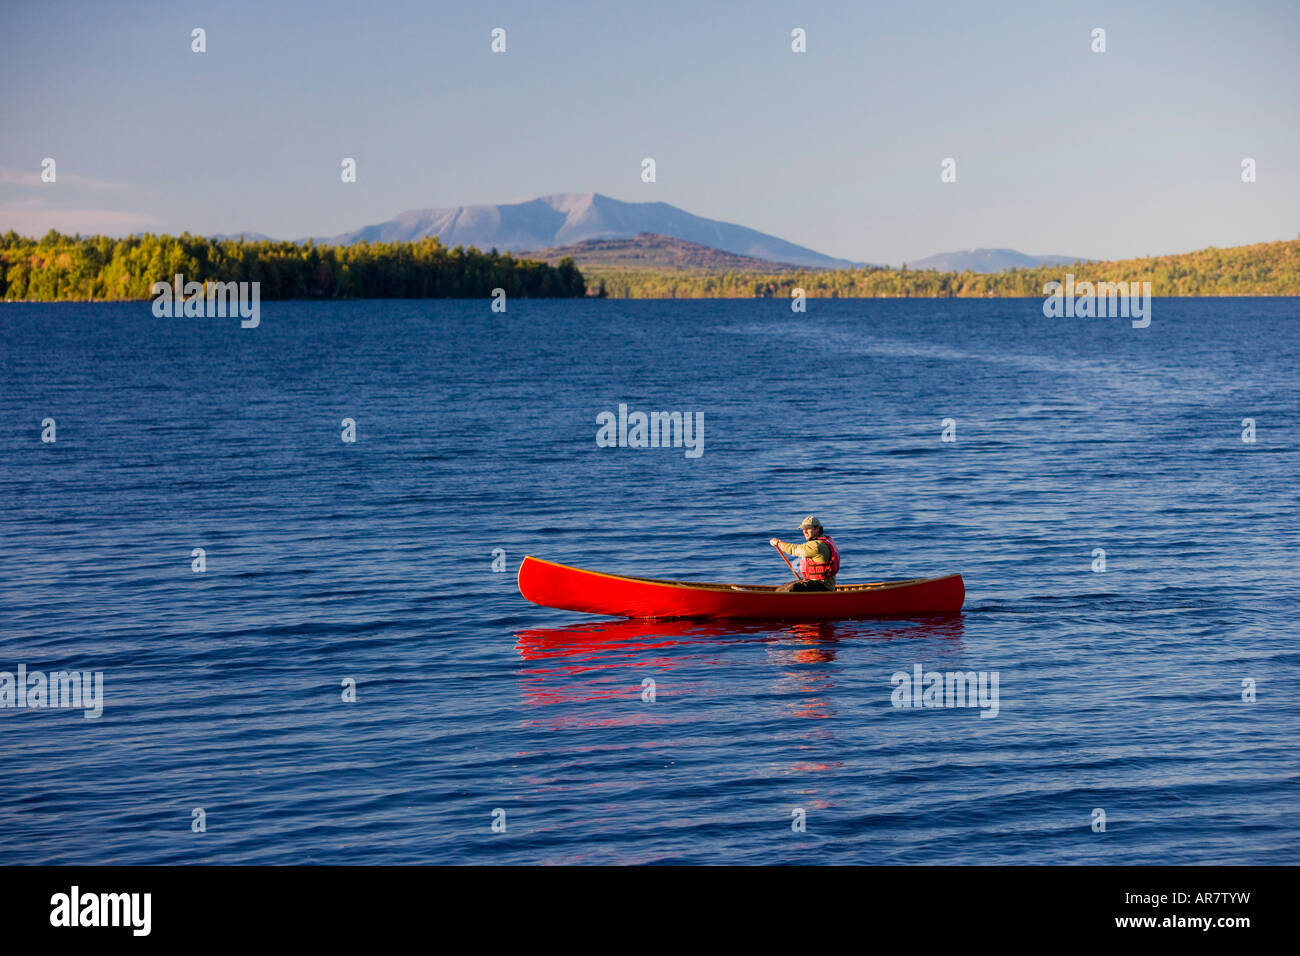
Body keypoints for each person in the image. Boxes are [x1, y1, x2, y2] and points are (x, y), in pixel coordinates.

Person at [770, 516, 840, 591]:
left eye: (808, 528)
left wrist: (778, 542)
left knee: (791, 589)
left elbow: (793, 549)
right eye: (803, 529)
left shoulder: (816, 546)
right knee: (782, 588)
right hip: (815, 582)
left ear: (817, 529)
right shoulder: (825, 540)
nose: (805, 531)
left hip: (823, 586)